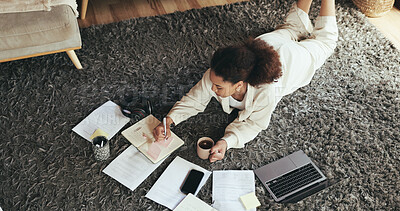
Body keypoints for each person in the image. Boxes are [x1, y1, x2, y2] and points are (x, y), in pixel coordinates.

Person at [153, 0, 338, 162]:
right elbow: (193, 99)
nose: (212, 88)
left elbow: (254, 124)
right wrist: (170, 120)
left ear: (239, 85)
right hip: (267, 43)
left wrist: (228, 141)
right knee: (290, 29)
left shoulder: (266, 91)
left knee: (325, 41)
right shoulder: (216, 75)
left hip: (292, 60)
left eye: (218, 87)